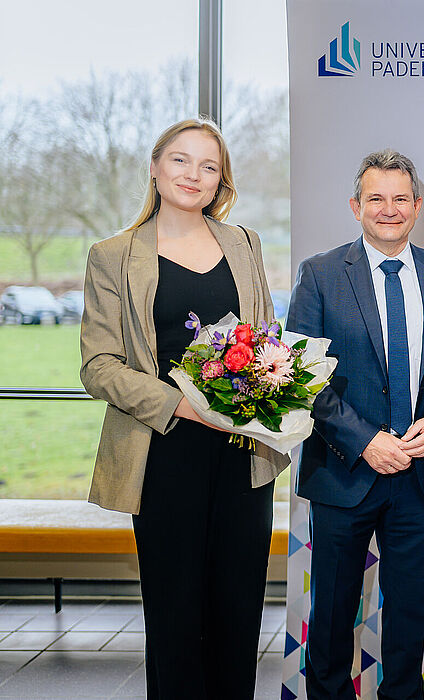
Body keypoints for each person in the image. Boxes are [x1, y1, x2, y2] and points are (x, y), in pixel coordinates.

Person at [80, 118, 288, 699]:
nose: (193, 174)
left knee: (238, 616)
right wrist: (185, 407)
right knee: (175, 620)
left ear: (221, 180)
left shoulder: (244, 244)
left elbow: (265, 338)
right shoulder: (113, 255)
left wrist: (272, 380)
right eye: (180, 160)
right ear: (154, 167)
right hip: (163, 453)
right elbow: (98, 366)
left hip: (243, 454)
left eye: (208, 165)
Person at [287, 149, 424, 700]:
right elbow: (302, 376)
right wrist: (364, 440)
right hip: (343, 473)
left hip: (419, 476)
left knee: (408, 619)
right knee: (331, 618)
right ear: (356, 206)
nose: (388, 209)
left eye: (400, 199)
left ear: (417, 207)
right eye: (376, 198)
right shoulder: (320, 274)